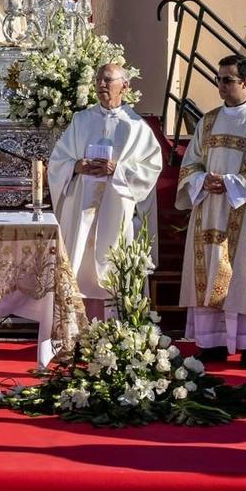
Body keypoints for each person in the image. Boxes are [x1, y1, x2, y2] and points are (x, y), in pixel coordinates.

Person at [176, 54, 246, 369]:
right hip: (210, 209)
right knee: (210, 272)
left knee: (245, 278)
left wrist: (232, 184)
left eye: (227, 79)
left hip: (245, 212)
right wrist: (201, 179)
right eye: (218, 78)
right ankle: (213, 344)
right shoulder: (207, 121)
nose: (220, 85)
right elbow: (192, 162)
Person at [50, 62, 164, 318]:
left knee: (113, 268)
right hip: (82, 208)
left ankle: (116, 331)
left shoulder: (135, 126)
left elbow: (151, 168)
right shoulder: (81, 120)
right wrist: (76, 165)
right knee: (80, 267)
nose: (101, 84)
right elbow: (58, 161)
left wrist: (118, 170)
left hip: (116, 208)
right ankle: (77, 330)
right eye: (99, 79)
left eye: (108, 80)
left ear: (125, 86)